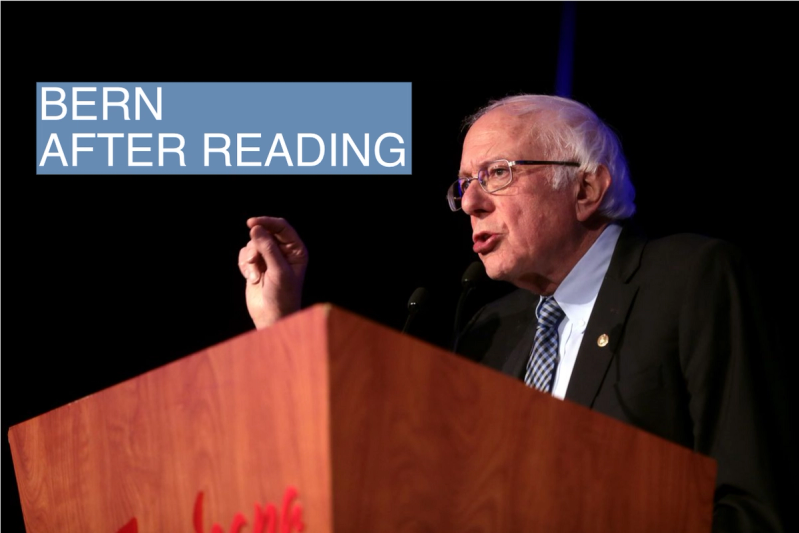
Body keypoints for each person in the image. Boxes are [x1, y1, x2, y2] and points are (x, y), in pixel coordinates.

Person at [238, 94, 788, 532]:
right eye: (464, 185)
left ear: (586, 187)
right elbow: (404, 484)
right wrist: (282, 325)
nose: (472, 202)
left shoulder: (688, 278)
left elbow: (750, 504)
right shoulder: (491, 331)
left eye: (497, 173)